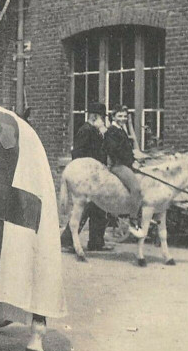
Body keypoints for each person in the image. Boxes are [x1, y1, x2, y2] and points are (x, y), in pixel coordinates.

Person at [60, 102, 110, 251]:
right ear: (94, 117)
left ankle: (96, 242)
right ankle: (66, 241)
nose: (103, 120)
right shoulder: (85, 131)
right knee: (84, 208)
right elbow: (77, 153)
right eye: (102, 117)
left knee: (99, 208)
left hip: (97, 176)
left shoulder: (96, 131)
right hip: (87, 177)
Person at [103, 105, 143, 238]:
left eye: (125, 116)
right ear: (113, 117)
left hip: (127, 164)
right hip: (118, 165)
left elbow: (128, 150)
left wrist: (134, 160)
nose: (123, 118)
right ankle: (133, 220)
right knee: (136, 189)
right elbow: (115, 151)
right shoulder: (111, 132)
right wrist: (131, 162)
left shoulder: (121, 130)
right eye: (120, 116)